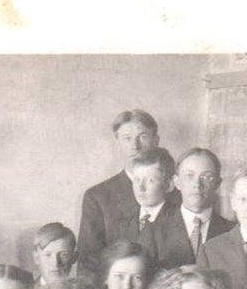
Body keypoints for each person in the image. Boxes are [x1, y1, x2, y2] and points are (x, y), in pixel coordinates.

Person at [76, 109, 177, 270]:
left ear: (156, 140)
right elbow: (88, 263)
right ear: (117, 143)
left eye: (143, 137)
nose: (134, 146)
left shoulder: (177, 193)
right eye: (126, 138)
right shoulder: (98, 197)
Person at [141, 147, 235, 273]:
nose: (197, 184)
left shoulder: (232, 232)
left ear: (217, 183)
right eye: (189, 176)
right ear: (177, 182)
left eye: (206, 177)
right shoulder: (153, 231)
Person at [30, 222, 77, 287]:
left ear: (74, 258)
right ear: (36, 258)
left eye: (63, 255)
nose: (55, 263)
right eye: (48, 255)